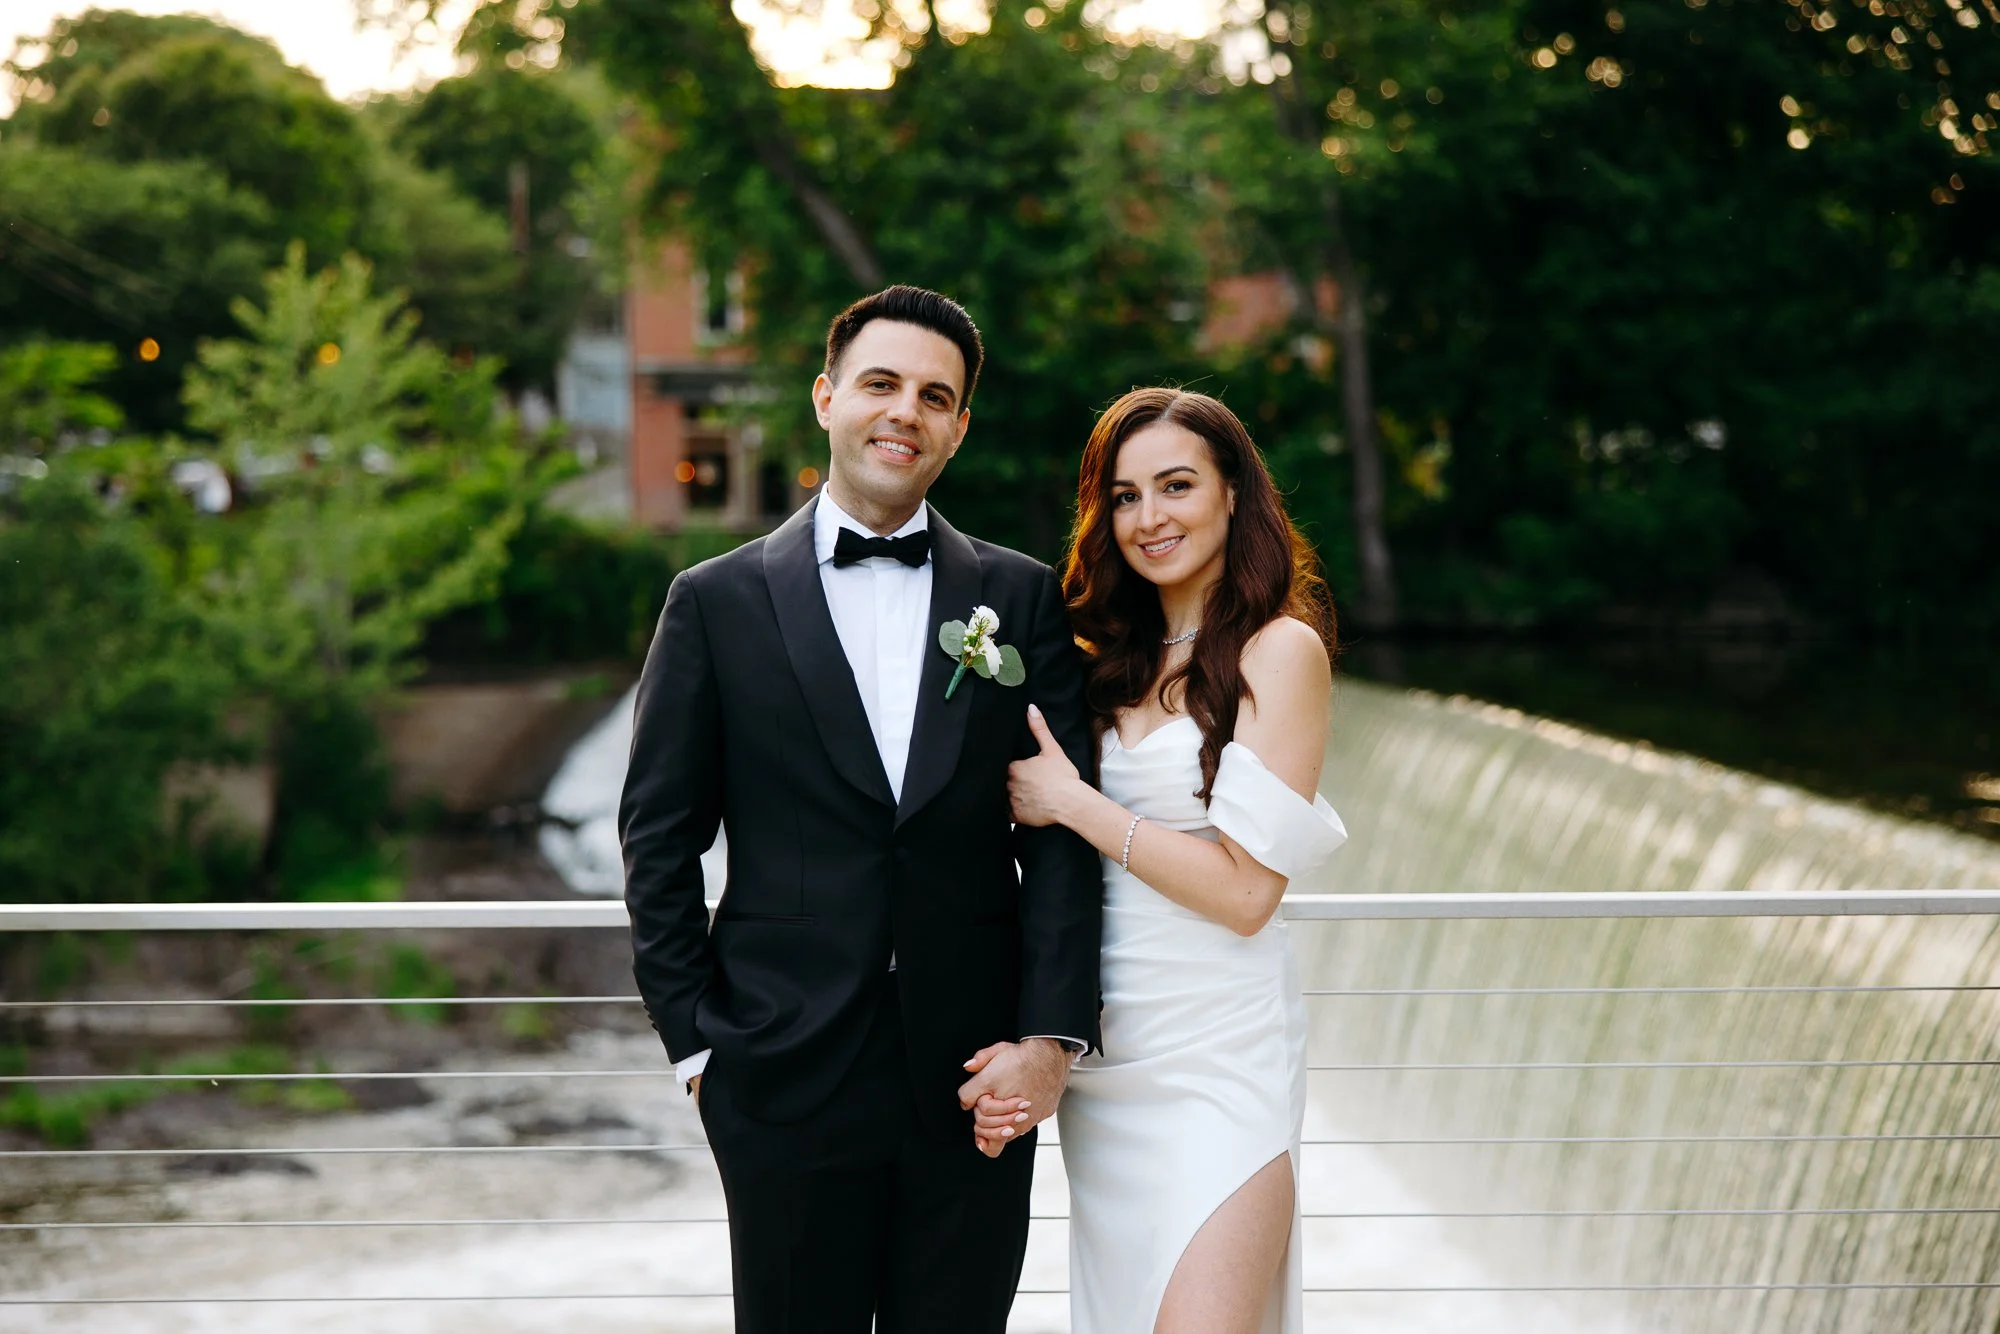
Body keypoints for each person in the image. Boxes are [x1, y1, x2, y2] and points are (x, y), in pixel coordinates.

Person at [618, 285, 1103, 1334]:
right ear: (826, 397)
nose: (905, 412)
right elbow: (658, 836)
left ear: (959, 426)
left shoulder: (1018, 600)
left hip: (976, 1081)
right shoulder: (713, 601)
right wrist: (700, 1051)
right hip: (779, 1073)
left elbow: (1061, 837)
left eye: (936, 395)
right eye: (880, 384)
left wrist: (1050, 1040)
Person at [993, 387, 1348, 1334]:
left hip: (1219, 1055)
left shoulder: (1280, 650)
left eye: (1177, 485)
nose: (1150, 518)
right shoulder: (1097, 656)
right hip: (1109, 1060)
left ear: (1235, 494)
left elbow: (1244, 894)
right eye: (1124, 495)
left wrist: (1077, 804)